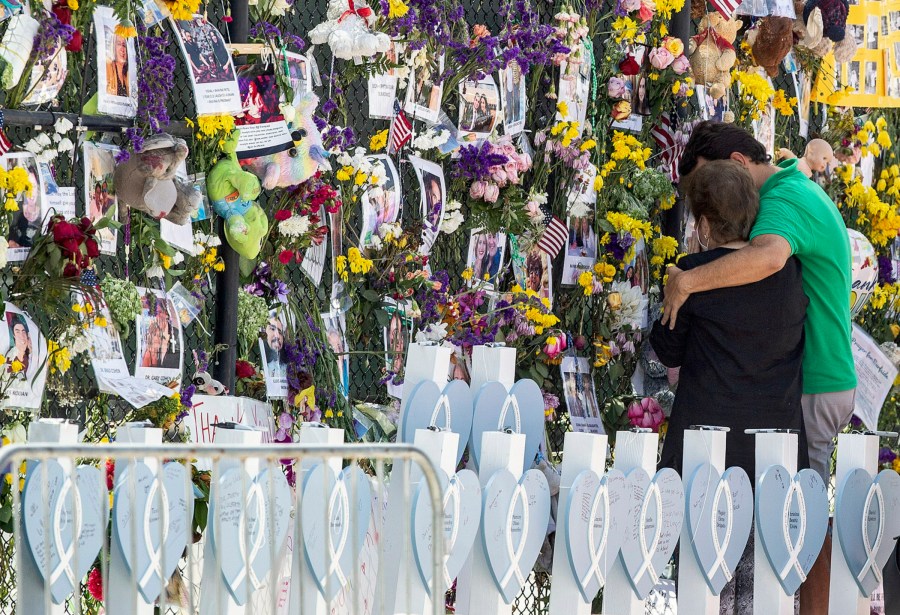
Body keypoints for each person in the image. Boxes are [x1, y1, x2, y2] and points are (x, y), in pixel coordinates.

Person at [662, 121, 856, 613]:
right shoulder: (790, 187)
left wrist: (685, 282)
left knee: (797, 529)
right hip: (808, 379)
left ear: (740, 165)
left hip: (812, 381)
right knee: (788, 525)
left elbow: (766, 261)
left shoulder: (781, 204)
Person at [8, 175, 40, 249]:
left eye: (34, 186)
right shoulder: (14, 210)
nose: (31, 192)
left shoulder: (44, 211)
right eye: (27, 187)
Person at [106, 31, 129, 98]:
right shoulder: (107, 67)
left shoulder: (127, 76)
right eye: (119, 44)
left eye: (124, 45)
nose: (122, 49)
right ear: (113, 47)